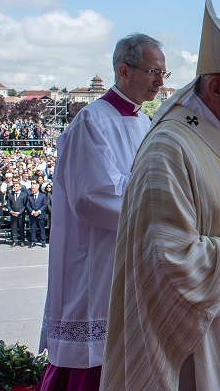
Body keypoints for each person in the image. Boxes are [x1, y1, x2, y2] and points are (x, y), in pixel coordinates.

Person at [101, 0, 220, 389]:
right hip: (193, 352)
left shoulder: (213, 137)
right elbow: (168, 258)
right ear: (216, 87)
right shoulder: (169, 148)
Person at [38, 33, 166, 391]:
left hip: (132, 258)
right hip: (97, 262)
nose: (160, 81)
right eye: (153, 71)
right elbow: (92, 198)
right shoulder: (92, 121)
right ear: (124, 70)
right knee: (94, 364)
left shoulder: (145, 124)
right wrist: (160, 197)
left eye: (164, 74)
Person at [25, 182, 48, 247]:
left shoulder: (43, 195)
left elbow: (45, 204)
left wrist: (39, 211)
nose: (33, 190)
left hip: (40, 214)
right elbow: (27, 205)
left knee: (42, 228)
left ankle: (43, 241)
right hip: (32, 215)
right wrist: (32, 211)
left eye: (34, 188)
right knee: (33, 228)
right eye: (32, 189)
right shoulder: (29, 197)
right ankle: (33, 241)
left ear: (37, 188)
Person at [6, 182, 27, 247]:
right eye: (14, 186)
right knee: (13, 227)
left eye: (16, 186)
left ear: (20, 187)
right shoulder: (11, 194)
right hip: (13, 214)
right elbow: (8, 204)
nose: (15, 187)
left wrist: (19, 212)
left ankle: (22, 241)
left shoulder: (24, 195)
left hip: (20, 214)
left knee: (21, 228)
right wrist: (11, 211)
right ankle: (15, 240)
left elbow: (25, 205)